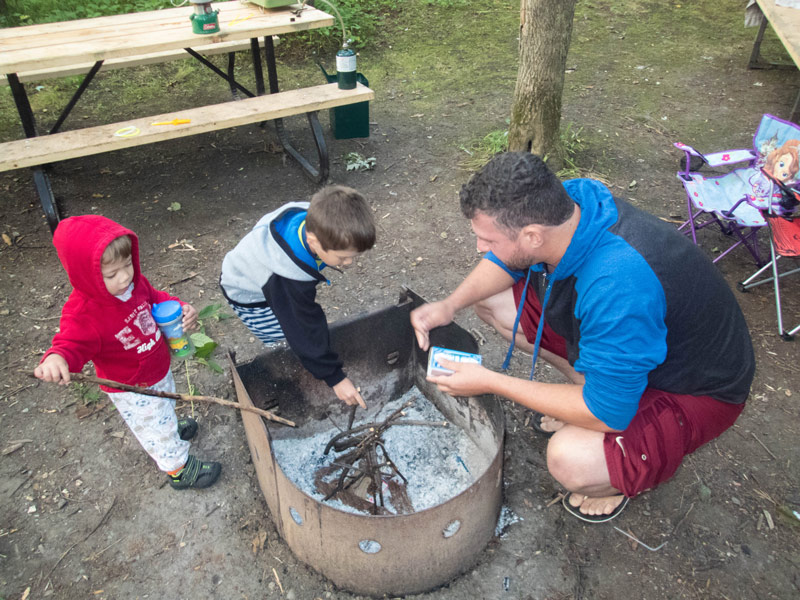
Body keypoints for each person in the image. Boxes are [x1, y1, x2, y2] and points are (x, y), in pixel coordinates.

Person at [411, 152, 754, 523]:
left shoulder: (618, 286)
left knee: (571, 459)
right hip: (634, 343)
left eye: (486, 239)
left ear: (532, 236)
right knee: (489, 300)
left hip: (693, 389)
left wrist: (490, 381)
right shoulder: (568, 203)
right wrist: (450, 304)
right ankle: (587, 390)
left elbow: (609, 413)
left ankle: (616, 477)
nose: (480, 247)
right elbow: (504, 261)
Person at [34, 215, 222, 490]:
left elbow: (156, 298)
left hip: (157, 370)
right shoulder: (84, 314)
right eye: (111, 274)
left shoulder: (134, 285)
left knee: (164, 408)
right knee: (154, 427)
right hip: (132, 387)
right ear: (85, 274)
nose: (125, 277)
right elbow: (68, 343)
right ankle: (179, 470)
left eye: (127, 265)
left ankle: (168, 428)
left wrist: (180, 307)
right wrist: (56, 358)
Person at [220, 185, 376, 409]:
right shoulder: (287, 279)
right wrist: (335, 377)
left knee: (299, 321)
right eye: (342, 258)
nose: (349, 263)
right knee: (286, 333)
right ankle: (289, 368)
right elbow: (302, 326)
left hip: (264, 272)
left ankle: (305, 355)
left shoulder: (311, 218)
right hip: (248, 292)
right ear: (313, 242)